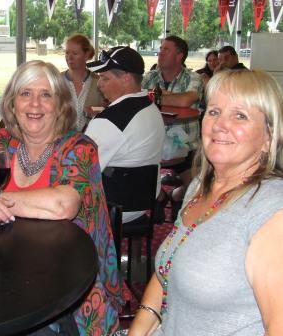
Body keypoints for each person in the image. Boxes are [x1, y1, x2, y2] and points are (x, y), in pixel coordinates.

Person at [0, 60, 126, 335]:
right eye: (25, 94)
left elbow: (63, 204)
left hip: (69, 284)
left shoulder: (78, 148)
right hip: (2, 273)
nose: (35, 104)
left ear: (60, 106)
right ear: (12, 104)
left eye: (46, 95)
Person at [128, 69, 283, 335]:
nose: (220, 124)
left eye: (240, 116)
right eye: (214, 112)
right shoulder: (201, 187)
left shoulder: (270, 210)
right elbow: (167, 271)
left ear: (269, 138)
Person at [84, 46, 165, 223]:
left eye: (105, 78)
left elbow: (82, 172)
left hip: (110, 207)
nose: (99, 84)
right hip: (143, 202)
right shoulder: (151, 108)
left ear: (127, 79)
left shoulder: (109, 121)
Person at [142, 35, 204, 223]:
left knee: (198, 187)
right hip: (152, 142)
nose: (160, 53)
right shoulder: (150, 77)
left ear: (180, 56)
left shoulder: (194, 78)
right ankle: (160, 196)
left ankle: (177, 195)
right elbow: (137, 97)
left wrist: (155, 96)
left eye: (165, 50)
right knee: (134, 171)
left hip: (186, 145)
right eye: (160, 49)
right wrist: (171, 96)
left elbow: (186, 100)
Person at [62, 34, 104, 131]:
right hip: (61, 141)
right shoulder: (56, 80)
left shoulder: (99, 82)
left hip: (92, 140)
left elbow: (108, 109)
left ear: (86, 55)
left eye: (75, 53)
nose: (69, 57)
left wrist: (100, 111)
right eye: (67, 53)